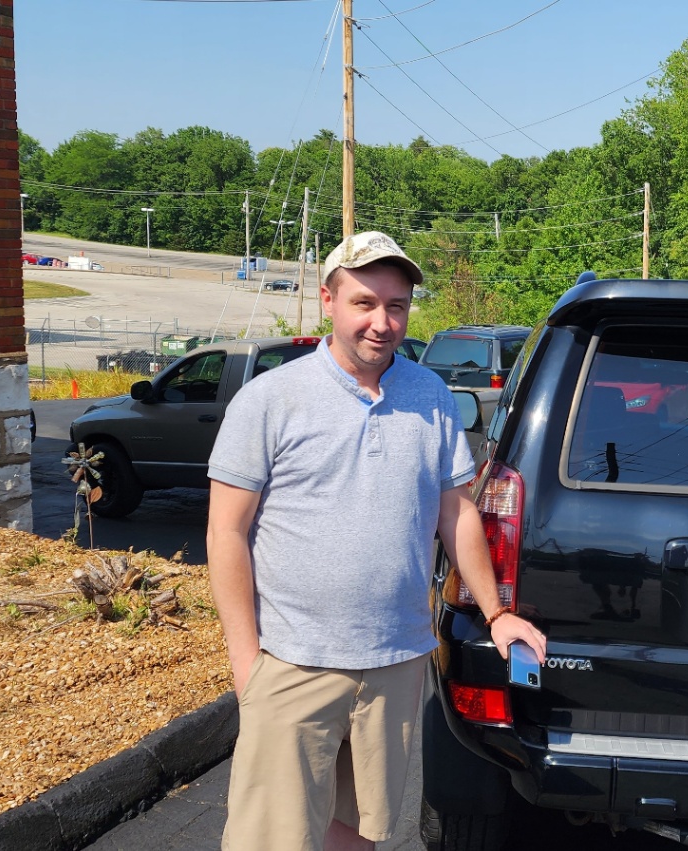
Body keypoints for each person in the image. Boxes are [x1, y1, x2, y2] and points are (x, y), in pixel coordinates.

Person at [206, 231, 546, 851]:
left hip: (396, 662)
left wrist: (497, 613)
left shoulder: (430, 395)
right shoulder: (270, 400)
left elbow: (456, 513)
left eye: (397, 306)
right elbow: (226, 531)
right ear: (328, 301)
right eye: (364, 302)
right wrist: (246, 663)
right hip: (293, 661)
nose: (382, 323)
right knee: (273, 838)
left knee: (362, 832)